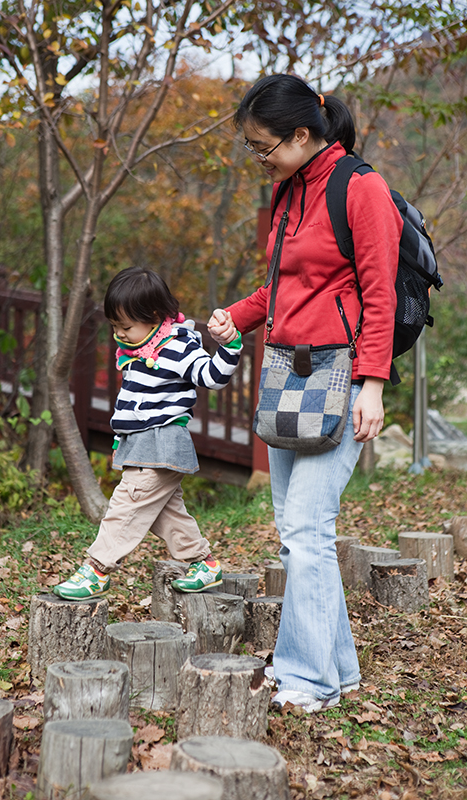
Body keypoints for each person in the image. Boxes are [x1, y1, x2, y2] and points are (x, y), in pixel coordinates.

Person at [208, 74, 403, 712]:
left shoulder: (362, 188)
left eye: (264, 146)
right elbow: (284, 287)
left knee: (306, 531)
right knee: (295, 529)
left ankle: (305, 680)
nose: (258, 158)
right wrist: (236, 316)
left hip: (341, 375)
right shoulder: (287, 193)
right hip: (287, 373)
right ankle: (337, 671)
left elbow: (378, 294)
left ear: (301, 134)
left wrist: (372, 386)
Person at [54, 266, 241, 600]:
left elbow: (212, 376)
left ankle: (97, 569)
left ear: (154, 316)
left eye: (125, 326)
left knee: (126, 505)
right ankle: (204, 563)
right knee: (165, 514)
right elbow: (133, 401)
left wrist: (229, 346)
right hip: (139, 443)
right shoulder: (139, 350)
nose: (120, 334)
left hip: (162, 442)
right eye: (115, 326)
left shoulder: (178, 346)